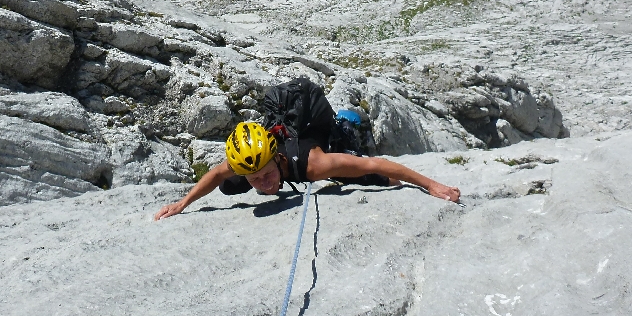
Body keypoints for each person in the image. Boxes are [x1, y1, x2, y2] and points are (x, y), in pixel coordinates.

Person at [153, 121, 460, 221]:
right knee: (226, 188)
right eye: (255, 179)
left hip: (316, 150)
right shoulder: (246, 165)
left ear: (276, 158)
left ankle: (346, 126)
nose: (264, 183)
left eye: (267, 173)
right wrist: (183, 204)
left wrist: (431, 185)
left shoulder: (314, 165)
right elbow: (216, 175)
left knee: (378, 179)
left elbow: (372, 164)